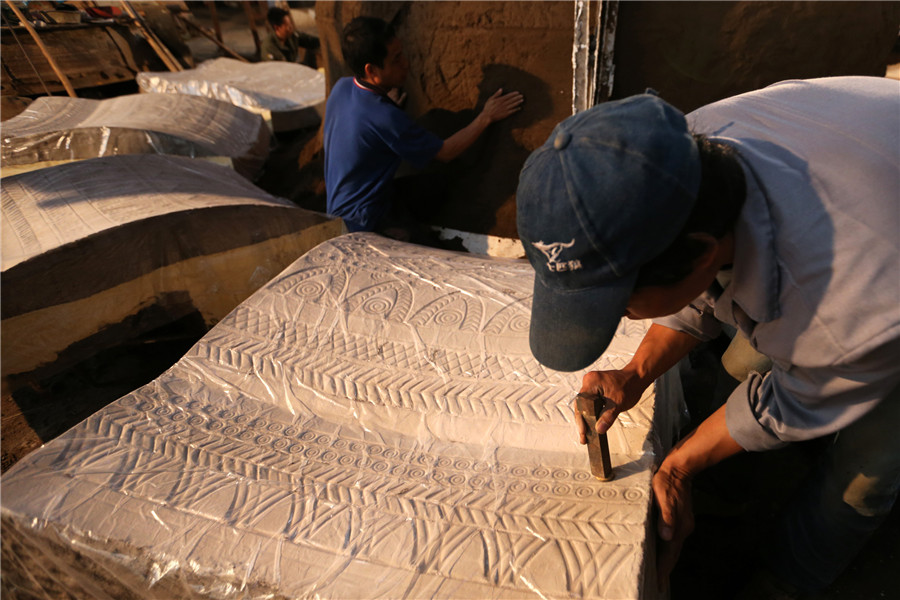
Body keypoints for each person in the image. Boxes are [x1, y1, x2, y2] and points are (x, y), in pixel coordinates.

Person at [515, 77, 899, 596]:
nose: (623, 320)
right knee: (743, 365)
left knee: (864, 471)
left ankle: (788, 579)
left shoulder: (849, 314)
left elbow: (795, 399)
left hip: (882, 275)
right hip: (864, 158)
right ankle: (736, 489)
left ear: (697, 254)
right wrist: (636, 372)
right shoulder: (672, 154)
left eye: (622, 304)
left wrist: (680, 467)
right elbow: (699, 284)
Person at [324, 16, 523, 238]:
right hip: (361, 224)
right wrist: (486, 117)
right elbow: (446, 152)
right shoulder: (385, 117)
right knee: (424, 243)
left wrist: (386, 111)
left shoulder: (341, 88)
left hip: (338, 211)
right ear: (371, 70)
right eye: (396, 59)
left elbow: (363, 124)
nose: (406, 63)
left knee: (430, 187)